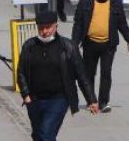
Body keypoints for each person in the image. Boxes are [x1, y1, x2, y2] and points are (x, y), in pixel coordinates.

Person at [17, 11, 99, 141]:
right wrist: (26, 95)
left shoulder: (68, 47)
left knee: (46, 133)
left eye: (48, 27)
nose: (44, 31)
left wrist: (91, 99)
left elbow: (81, 74)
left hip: (58, 99)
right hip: (34, 100)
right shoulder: (29, 46)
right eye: (41, 28)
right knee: (38, 136)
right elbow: (21, 71)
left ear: (56, 26)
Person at [72, 0, 129, 112]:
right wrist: (74, 43)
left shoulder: (115, 1)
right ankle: (91, 100)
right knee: (89, 73)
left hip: (109, 44)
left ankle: (104, 101)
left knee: (106, 73)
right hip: (90, 42)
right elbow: (78, 22)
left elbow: (122, 22)